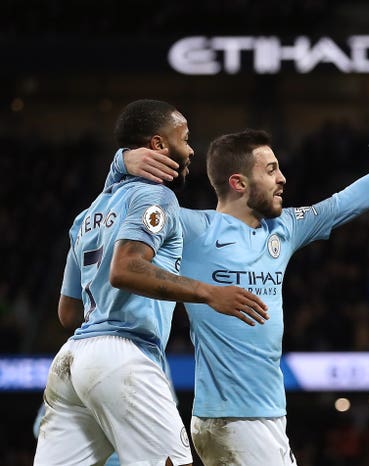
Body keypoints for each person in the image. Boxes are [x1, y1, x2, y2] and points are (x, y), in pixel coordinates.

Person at [105, 116, 369, 465]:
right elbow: (119, 212)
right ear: (238, 183)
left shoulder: (283, 228)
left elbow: (349, 199)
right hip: (235, 416)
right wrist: (122, 163)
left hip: (263, 414)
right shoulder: (194, 228)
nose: (282, 178)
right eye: (270, 170)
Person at [34, 99, 268, 466]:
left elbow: (68, 312)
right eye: (185, 138)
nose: (191, 149)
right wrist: (209, 292)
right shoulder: (156, 195)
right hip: (123, 354)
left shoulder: (86, 215)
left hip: (72, 361)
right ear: (159, 145)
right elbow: (126, 269)